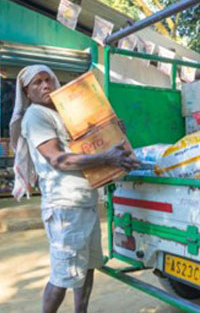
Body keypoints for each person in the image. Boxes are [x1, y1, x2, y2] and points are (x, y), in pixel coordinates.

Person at [10, 65, 139, 313]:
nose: (45, 86)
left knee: (87, 266)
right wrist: (107, 158)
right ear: (27, 92)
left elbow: (88, 146)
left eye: (48, 80)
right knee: (63, 275)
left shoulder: (64, 116)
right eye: (37, 83)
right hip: (65, 207)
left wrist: (113, 132)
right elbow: (59, 159)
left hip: (86, 202)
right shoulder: (36, 116)